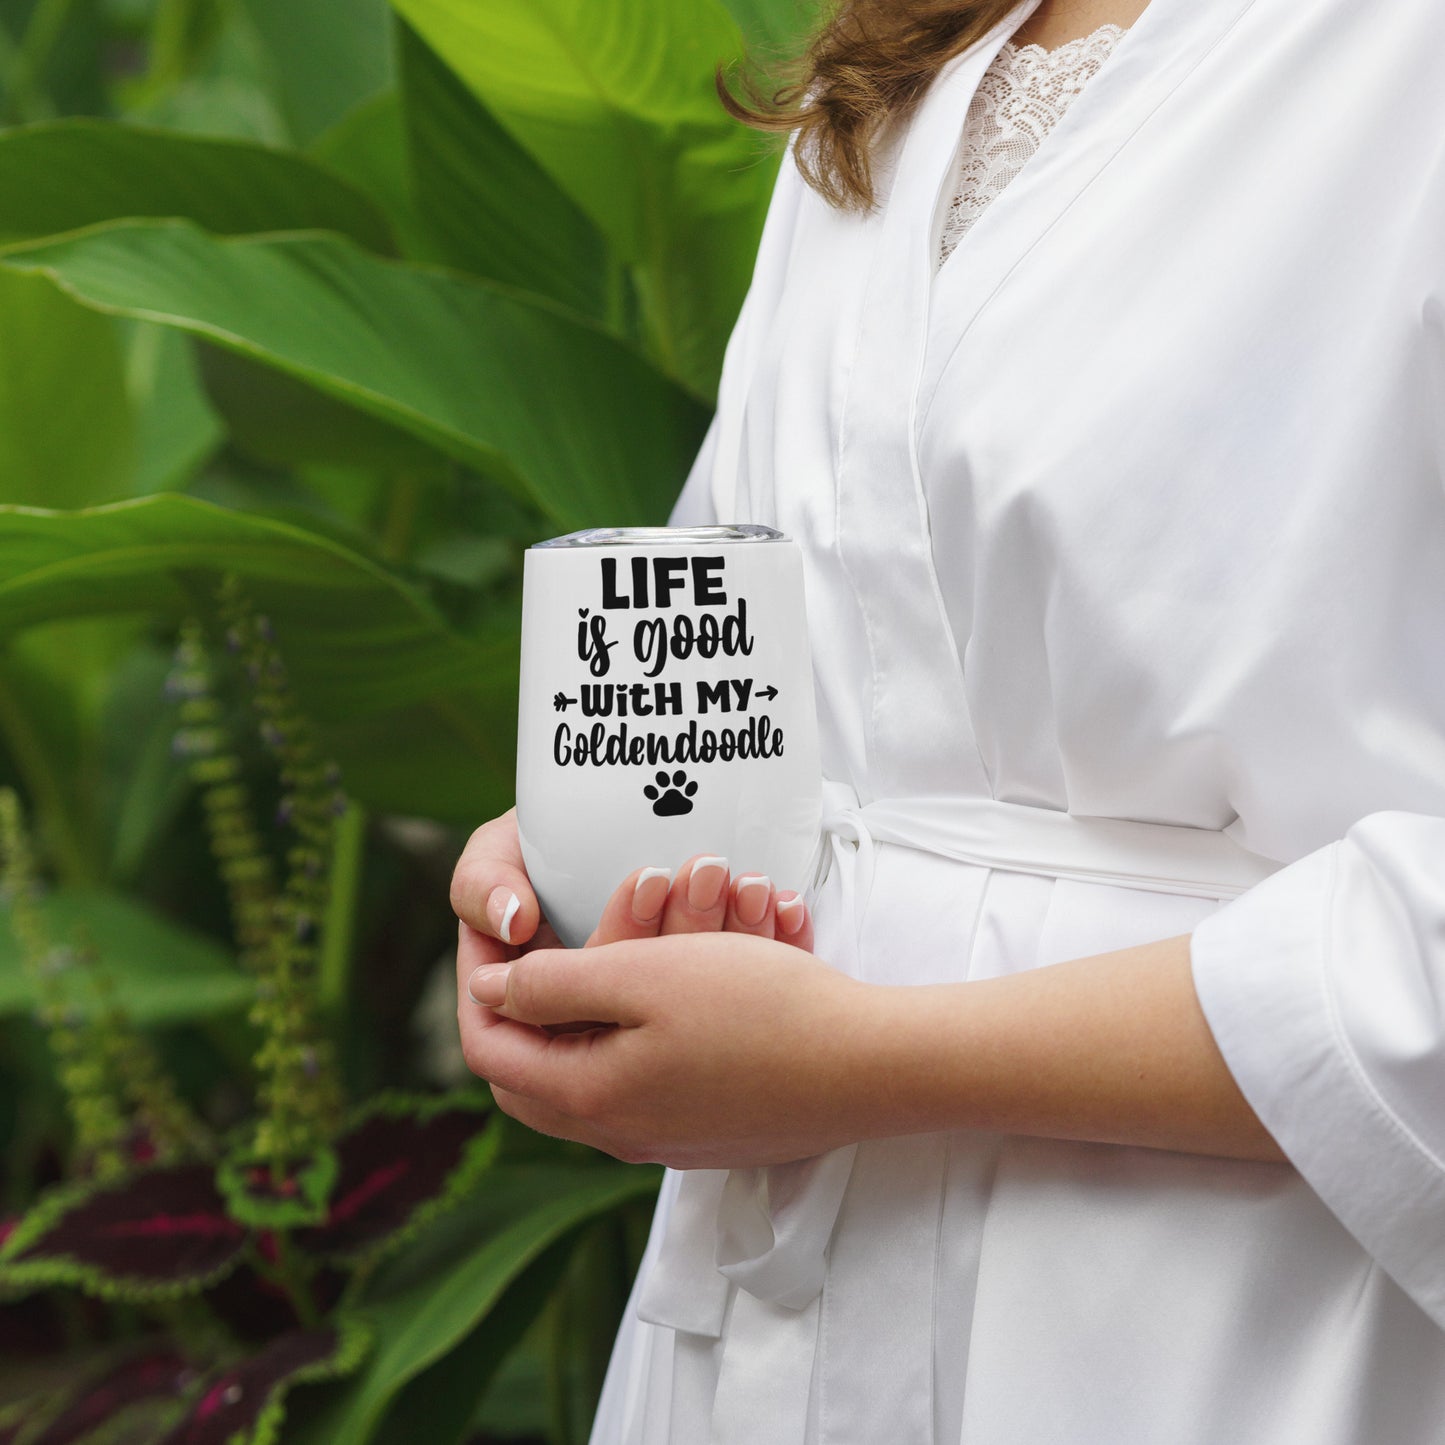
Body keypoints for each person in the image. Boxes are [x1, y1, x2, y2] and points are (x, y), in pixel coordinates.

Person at [451, 0, 1445, 1438]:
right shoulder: (901, 57)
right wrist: (593, 857)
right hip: (778, 1312)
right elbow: (798, 649)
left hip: (1233, 1317)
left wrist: (862, 1058)